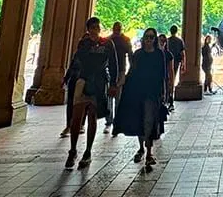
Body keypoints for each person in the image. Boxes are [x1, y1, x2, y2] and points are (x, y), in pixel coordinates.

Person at [63, 17, 119, 169]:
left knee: (92, 117)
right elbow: (76, 61)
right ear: (88, 29)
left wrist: (113, 84)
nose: (95, 30)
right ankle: (73, 149)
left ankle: (87, 151)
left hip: (99, 83)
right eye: (92, 27)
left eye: (97, 27)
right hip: (83, 80)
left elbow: (113, 64)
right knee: (76, 118)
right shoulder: (84, 43)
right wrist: (67, 77)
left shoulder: (107, 44)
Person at [112, 27, 167, 170]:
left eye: (151, 37)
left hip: (152, 93)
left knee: (149, 120)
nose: (148, 40)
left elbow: (163, 74)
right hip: (138, 92)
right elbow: (132, 72)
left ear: (155, 40)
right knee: (140, 120)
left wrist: (164, 92)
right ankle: (142, 147)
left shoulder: (159, 55)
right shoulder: (138, 54)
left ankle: (148, 152)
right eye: (146, 37)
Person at [104, 21, 131, 134]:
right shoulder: (109, 40)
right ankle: (110, 121)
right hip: (111, 70)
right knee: (110, 96)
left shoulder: (123, 40)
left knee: (116, 96)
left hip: (120, 70)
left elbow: (130, 54)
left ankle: (115, 122)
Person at [166, 24, 185, 107]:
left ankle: (168, 96)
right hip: (176, 61)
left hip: (167, 61)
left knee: (167, 79)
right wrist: (184, 64)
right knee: (172, 79)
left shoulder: (167, 40)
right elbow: (183, 53)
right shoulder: (180, 41)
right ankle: (170, 97)